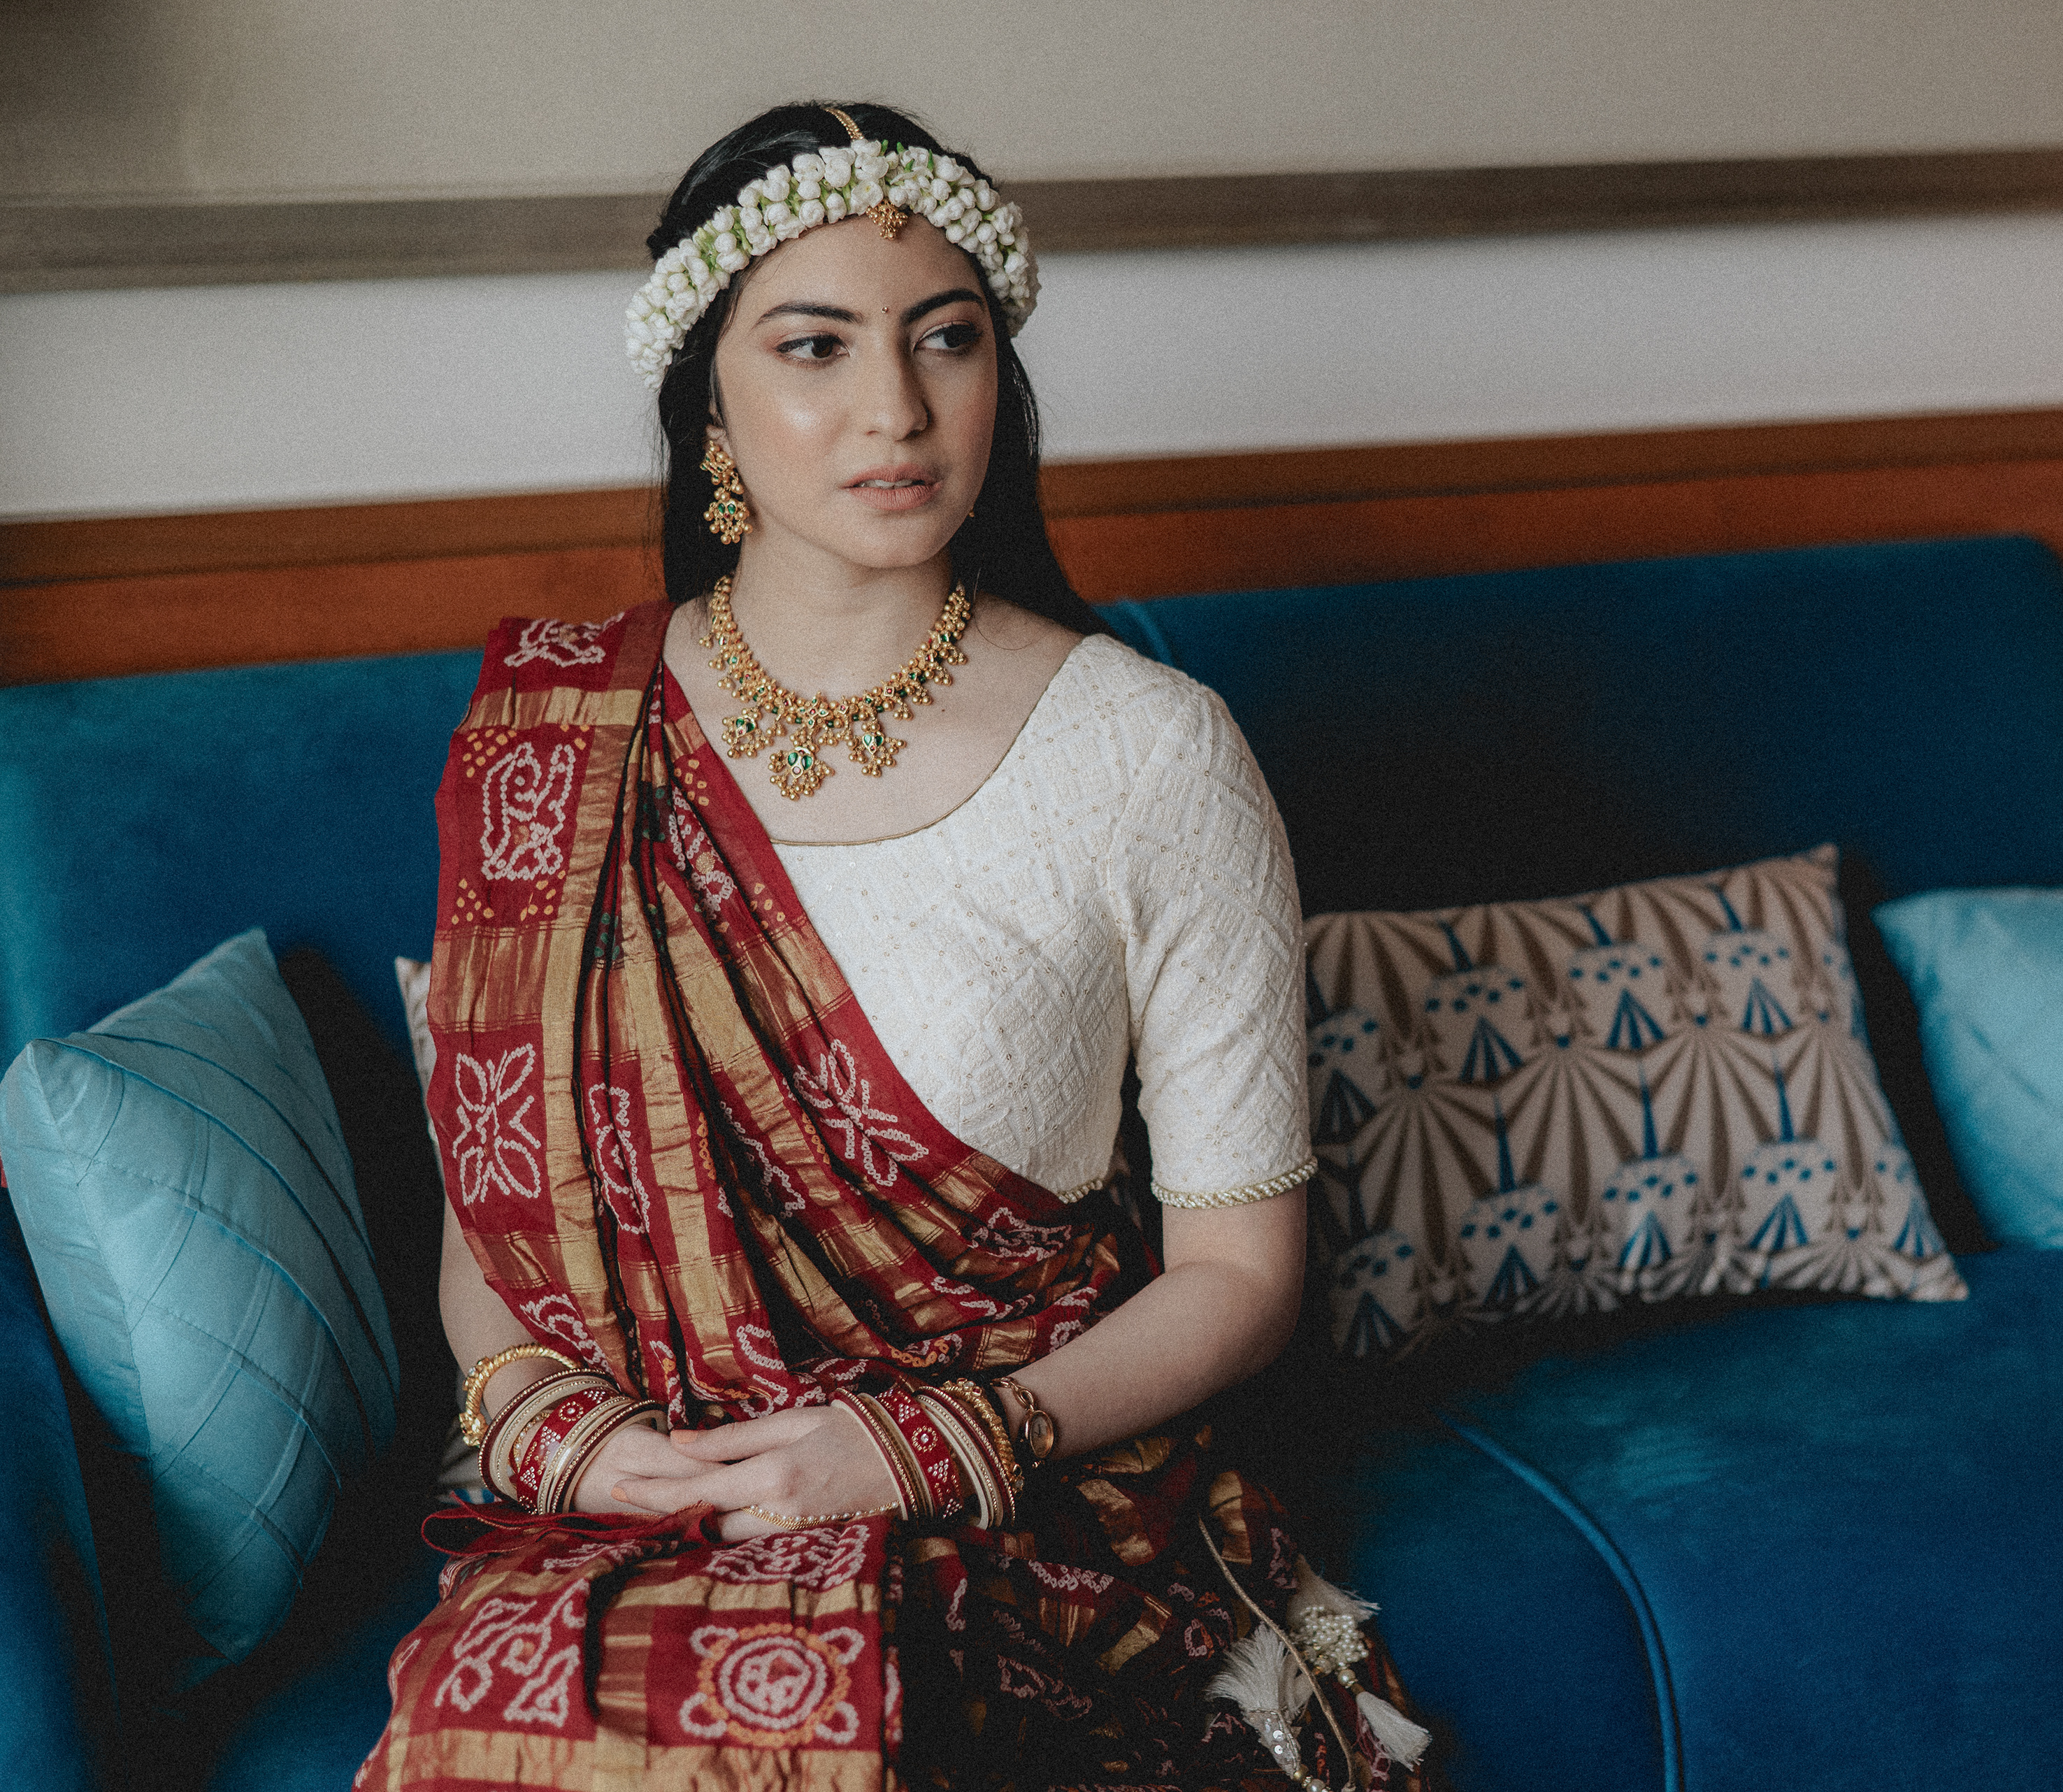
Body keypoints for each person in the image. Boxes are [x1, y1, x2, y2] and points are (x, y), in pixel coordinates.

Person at [361, 100, 1428, 1792]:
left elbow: (1240, 1275)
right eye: (815, 346)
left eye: (948, 338)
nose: (898, 409)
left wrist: (926, 1445)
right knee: (518, 1729)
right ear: (709, 401)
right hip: (644, 1500)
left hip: (1012, 1488)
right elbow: (496, 1231)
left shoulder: (1150, 752)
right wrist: (556, 1427)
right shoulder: (556, 743)